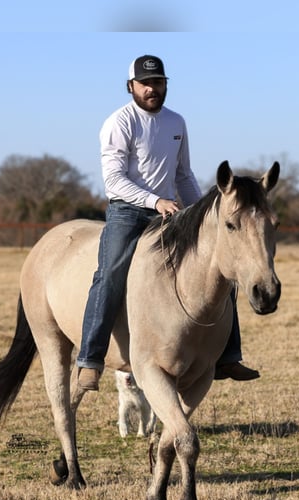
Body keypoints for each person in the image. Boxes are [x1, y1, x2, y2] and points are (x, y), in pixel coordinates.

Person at [76, 54, 259, 391]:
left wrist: (204, 214)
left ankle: (229, 356)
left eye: (159, 82)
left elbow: (183, 174)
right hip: (129, 211)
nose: (152, 89)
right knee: (111, 274)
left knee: (222, 265)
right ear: (130, 86)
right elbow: (113, 181)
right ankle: (90, 360)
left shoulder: (177, 122)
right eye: (145, 83)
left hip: (172, 211)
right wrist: (154, 200)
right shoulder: (119, 122)